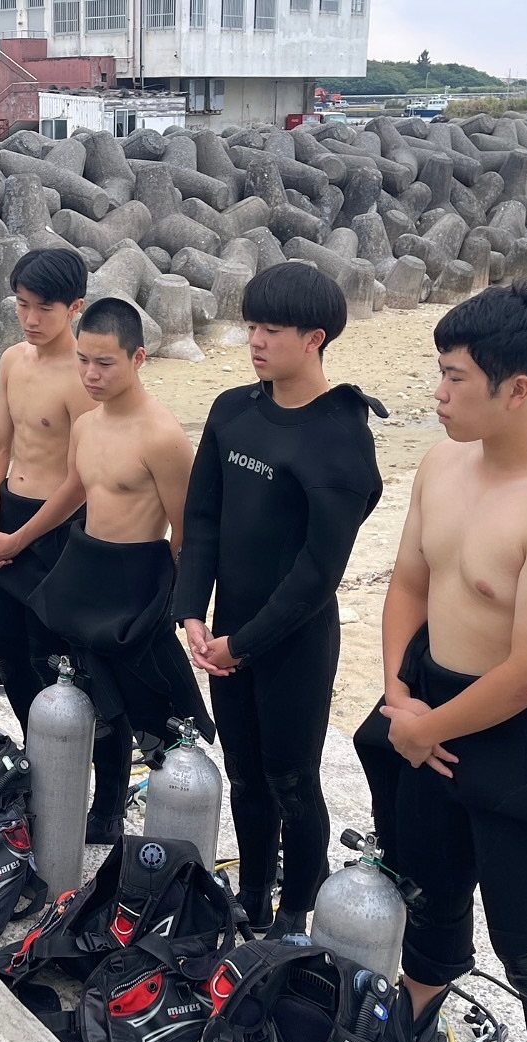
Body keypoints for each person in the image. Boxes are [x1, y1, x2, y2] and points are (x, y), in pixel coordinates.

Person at [356, 281, 527, 1042]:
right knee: (427, 896)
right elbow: (409, 582)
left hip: (522, 739)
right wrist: (399, 694)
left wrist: (425, 729)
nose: (436, 394)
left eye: (454, 377)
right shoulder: (443, 464)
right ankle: (411, 1025)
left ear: (516, 390)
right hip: (427, 706)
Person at [173, 263, 385, 937]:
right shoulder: (233, 411)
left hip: (293, 639)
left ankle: (296, 912)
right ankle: (254, 895)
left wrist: (243, 644)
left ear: (314, 338)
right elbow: (203, 517)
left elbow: (318, 572)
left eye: (271, 330)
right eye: (251, 326)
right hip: (226, 630)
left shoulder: (340, 437)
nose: (255, 341)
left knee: (292, 779)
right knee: (243, 774)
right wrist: (191, 609)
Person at [0, 297, 213, 844]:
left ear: (138, 358)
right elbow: (72, 491)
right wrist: (16, 539)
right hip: (84, 564)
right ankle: (75, 791)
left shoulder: (163, 437)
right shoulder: (87, 425)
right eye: (84, 360)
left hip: (135, 576)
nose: (90, 374)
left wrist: (181, 608)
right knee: (73, 682)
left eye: (105, 363)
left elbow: (186, 531)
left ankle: (130, 817)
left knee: (144, 707)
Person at [0, 249, 94, 732]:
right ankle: (32, 750)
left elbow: (81, 481)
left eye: (44, 308)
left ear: (75, 308)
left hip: (57, 528)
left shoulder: (84, 379)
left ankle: (64, 755)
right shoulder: (12, 360)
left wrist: (18, 542)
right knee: (7, 649)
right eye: (22, 305)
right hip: (8, 515)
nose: (31, 319)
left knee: (51, 656)